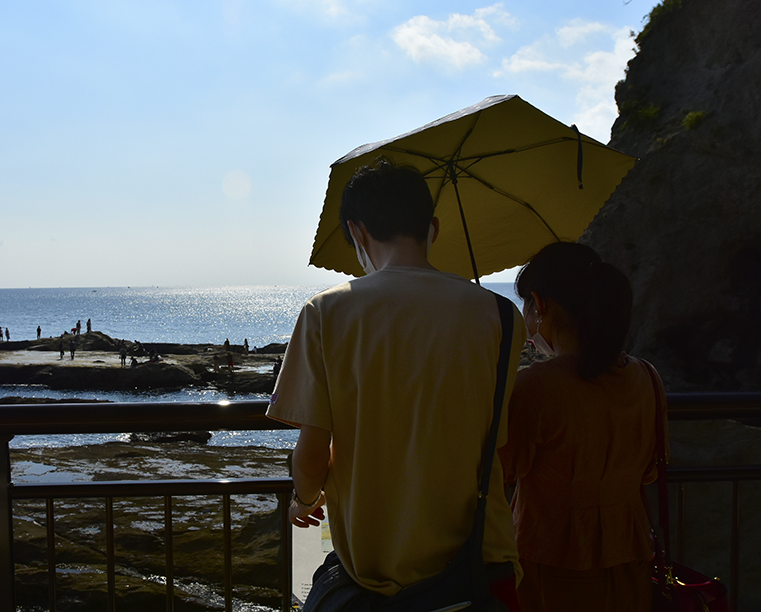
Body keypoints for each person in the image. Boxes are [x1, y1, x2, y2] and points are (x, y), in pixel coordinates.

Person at [267, 157, 523, 609]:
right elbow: (494, 439)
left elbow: (311, 451)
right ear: (433, 228)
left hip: (376, 572)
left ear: (358, 232)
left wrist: (303, 499)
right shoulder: (501, 314)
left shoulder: (325, 312)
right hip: (478, 570)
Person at [498, 242, 661, 612]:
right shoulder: (646, 377)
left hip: (550, 562)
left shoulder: (537, 385)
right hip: (631, 559)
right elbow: (650, 470)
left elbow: (498, 471)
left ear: (540, 304)